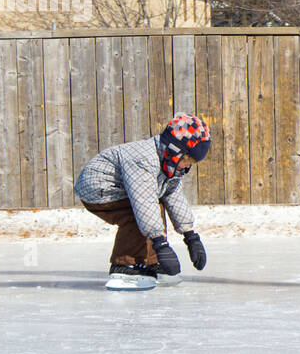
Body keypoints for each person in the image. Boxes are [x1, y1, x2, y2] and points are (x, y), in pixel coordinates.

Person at [74, 113, 211, 290]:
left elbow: (172, 195)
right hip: (97, 187)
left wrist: (191, 236)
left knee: (155, 204)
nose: (187, 166)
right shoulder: (143, 160)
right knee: (137, 212)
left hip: (119, 188)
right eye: (186, 160)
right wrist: (162, 246)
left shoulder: (168, 162)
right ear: (175, 150)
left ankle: (149, 263)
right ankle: (124, 266)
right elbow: (143, 202)